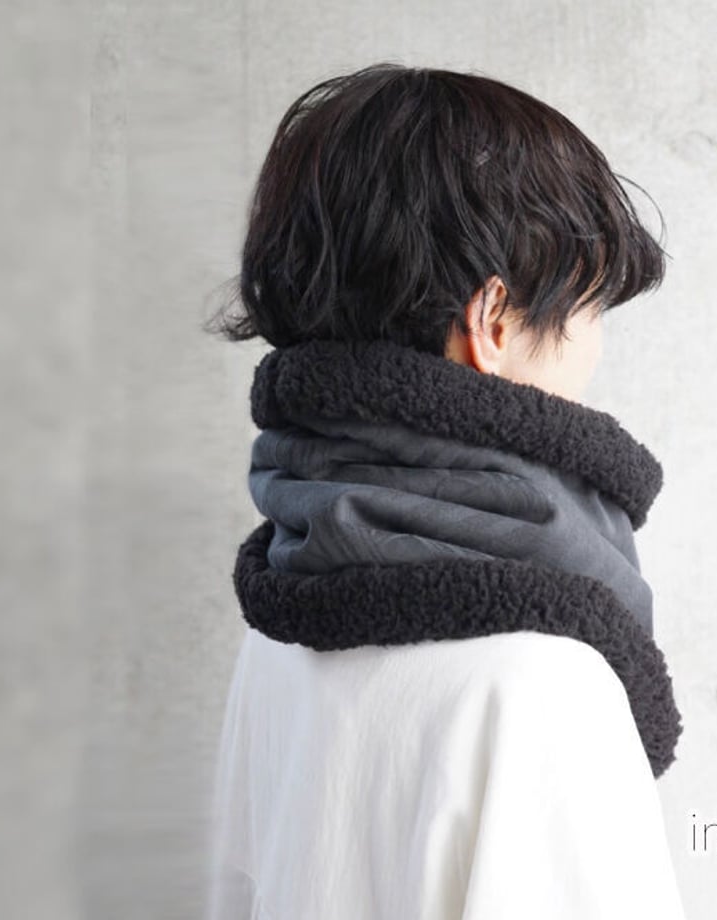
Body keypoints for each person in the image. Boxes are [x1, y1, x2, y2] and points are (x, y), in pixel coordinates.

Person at [204, 62, 687, 920]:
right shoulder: (545, 682)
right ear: (493, 320)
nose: (593, 349)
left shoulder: (278, 628)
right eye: (589, 308)